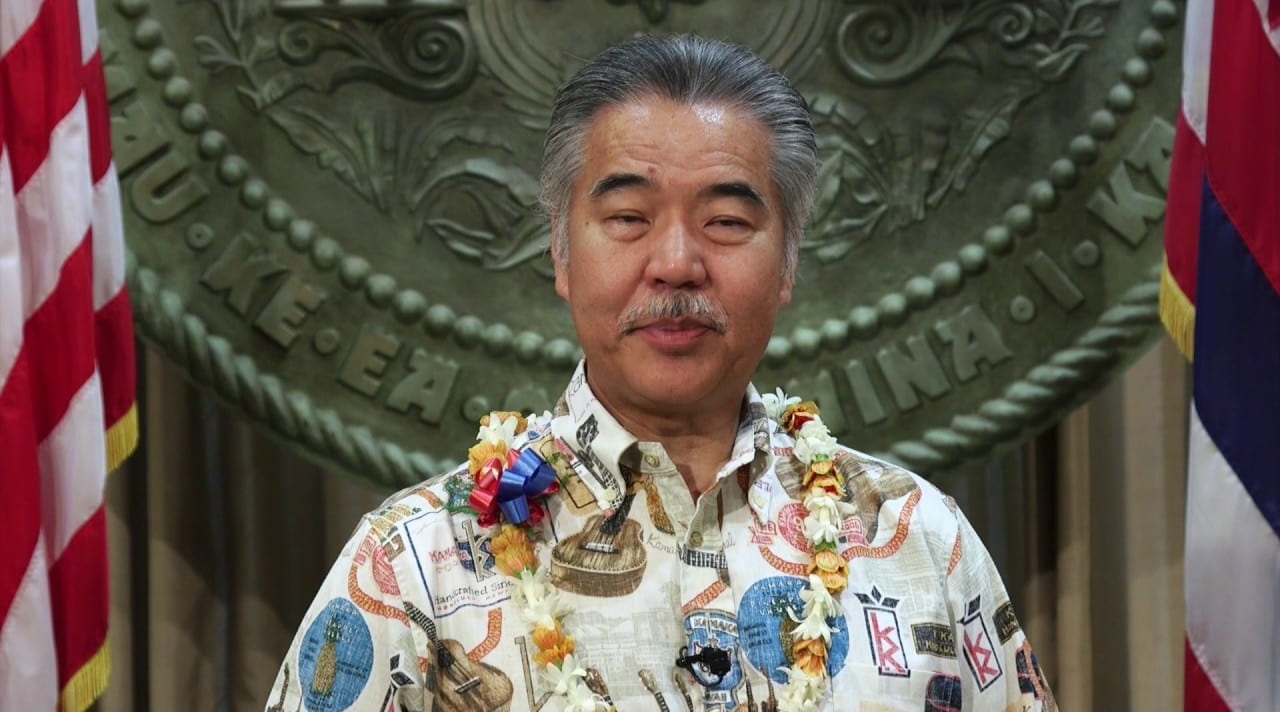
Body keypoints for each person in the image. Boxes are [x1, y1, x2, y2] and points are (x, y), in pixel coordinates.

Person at [265, 35, 1056, 712]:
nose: (676, 262)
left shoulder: (916, 538)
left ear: (787, 263)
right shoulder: (414, 562)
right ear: (561, 252)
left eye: (726, 221)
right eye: (628, 219)